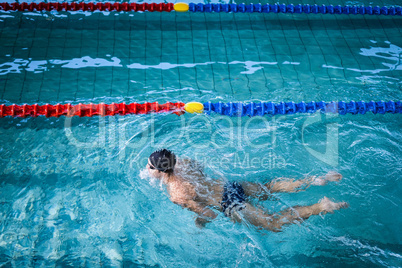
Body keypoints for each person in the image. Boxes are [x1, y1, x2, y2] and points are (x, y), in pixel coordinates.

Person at [146, 149, 348, 231]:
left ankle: (320, 206)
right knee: (269, 188)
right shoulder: (185, 162)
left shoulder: (176, 194)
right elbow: (202, 170)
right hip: (231, 186)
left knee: (273, 223)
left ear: (160, 171)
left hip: (230, 204)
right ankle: (316, 180)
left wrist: (199, 223)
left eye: (150, 167)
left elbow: (209, 214)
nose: (147, 169)